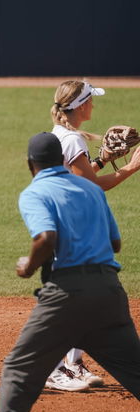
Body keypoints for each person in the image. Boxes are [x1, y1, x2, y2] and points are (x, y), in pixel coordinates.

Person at [0, 132, 140, 412]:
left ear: (31, 164)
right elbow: (115, 244)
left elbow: (46, 237)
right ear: (62, 160)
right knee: (134, 368)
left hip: (66, 296)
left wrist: (28, 267)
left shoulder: (35, 193)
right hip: (109, 293)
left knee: (18, 370)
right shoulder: (92, 190)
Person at [44, 80, 140, 391]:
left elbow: (80, 177)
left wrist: (102, 161)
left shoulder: (66, 137)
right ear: (81, 106)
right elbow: (94, 187)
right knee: (76, 298)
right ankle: (55, 366)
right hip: (72, 230)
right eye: (91, 101)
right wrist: (131, 168)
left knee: (87, 297)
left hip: (73, 226)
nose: (94, 107)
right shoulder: (72, 141)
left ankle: (72, 362)